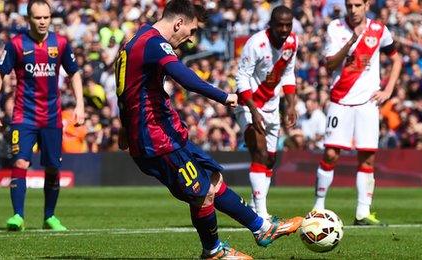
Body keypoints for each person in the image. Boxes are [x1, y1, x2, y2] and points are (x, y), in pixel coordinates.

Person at [114, 0, 302, 258]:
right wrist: (225, 97)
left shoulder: (136, 41)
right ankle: (213, 251)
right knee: (201, 194)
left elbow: (125, 87)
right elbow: (183, 76)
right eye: (191, 31)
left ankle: (262, 228)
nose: (190, 39)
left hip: (166, 134)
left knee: (213, 180)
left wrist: (125, 126)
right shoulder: (155, 44)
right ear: (178, 23)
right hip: (157, 140)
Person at [0, 0, 85, 231]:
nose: (42, 22)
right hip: (24, 116)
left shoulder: (60, 43)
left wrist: (80, 104)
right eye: (37, 18)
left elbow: (75, 73)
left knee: (52, 167)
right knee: (20, 162)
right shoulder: (16, 44)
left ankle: (49, 217)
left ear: (50, 18)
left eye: (46, 17)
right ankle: (18, 216)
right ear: (28, 19)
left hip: (52, 117)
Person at [311, 0, 402, 226]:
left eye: (357, 5)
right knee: (331, 154)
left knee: (368, 157)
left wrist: (388, 90)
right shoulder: (335, 28)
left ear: (366, 5)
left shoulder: (379, 30)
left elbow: (396, 58)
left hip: (367, 104)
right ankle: (318, 206)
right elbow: (330, 65)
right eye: (349, 5)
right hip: (340, 100)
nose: (353, 10)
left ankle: (363, 212)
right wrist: (351, 41)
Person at [235, 6, 298, 220]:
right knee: (260, 153)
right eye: (279, 25)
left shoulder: (292, 42)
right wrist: (253, 110)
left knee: (270, 159)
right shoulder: (256, 44)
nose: (284, 29)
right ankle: (261, 214)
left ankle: (254, 205)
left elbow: (288, 75)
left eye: (287, 25)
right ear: (270, 24)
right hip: (249, 104)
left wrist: (290, 105)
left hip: (272, 106)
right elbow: (241, 78)